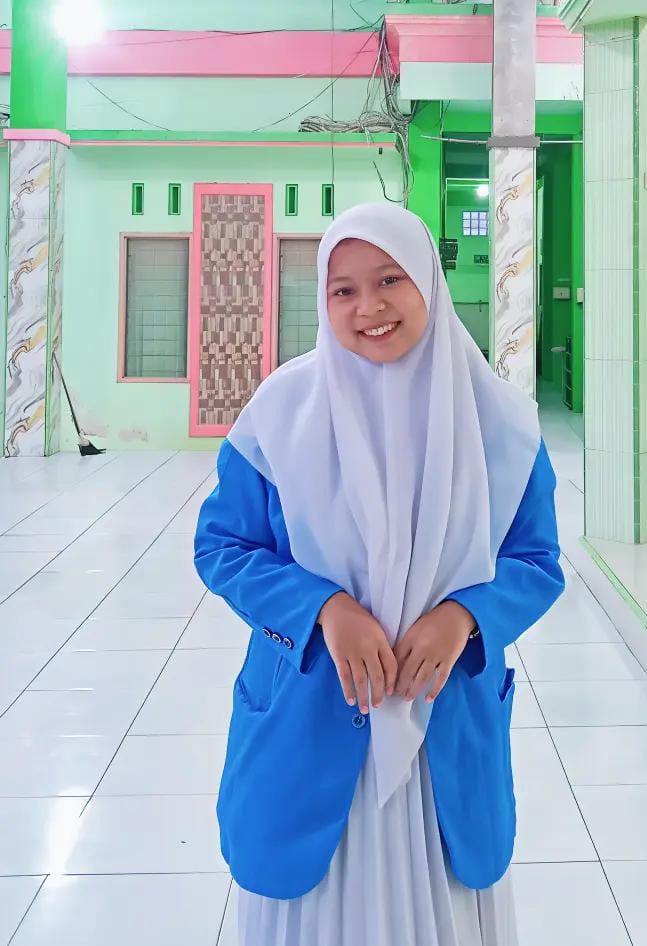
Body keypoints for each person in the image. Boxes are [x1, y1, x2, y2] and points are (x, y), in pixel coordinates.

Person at [194, 203, 565, 946]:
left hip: (441, 726)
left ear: (428, 281)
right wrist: (323, 609)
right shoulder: (281, 416)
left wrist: (465, 618)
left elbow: (536, 561)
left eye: (390, 279)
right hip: (311, 718)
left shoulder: (499, 425)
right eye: (344, 289)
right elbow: (223, 545)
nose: (369, 306)